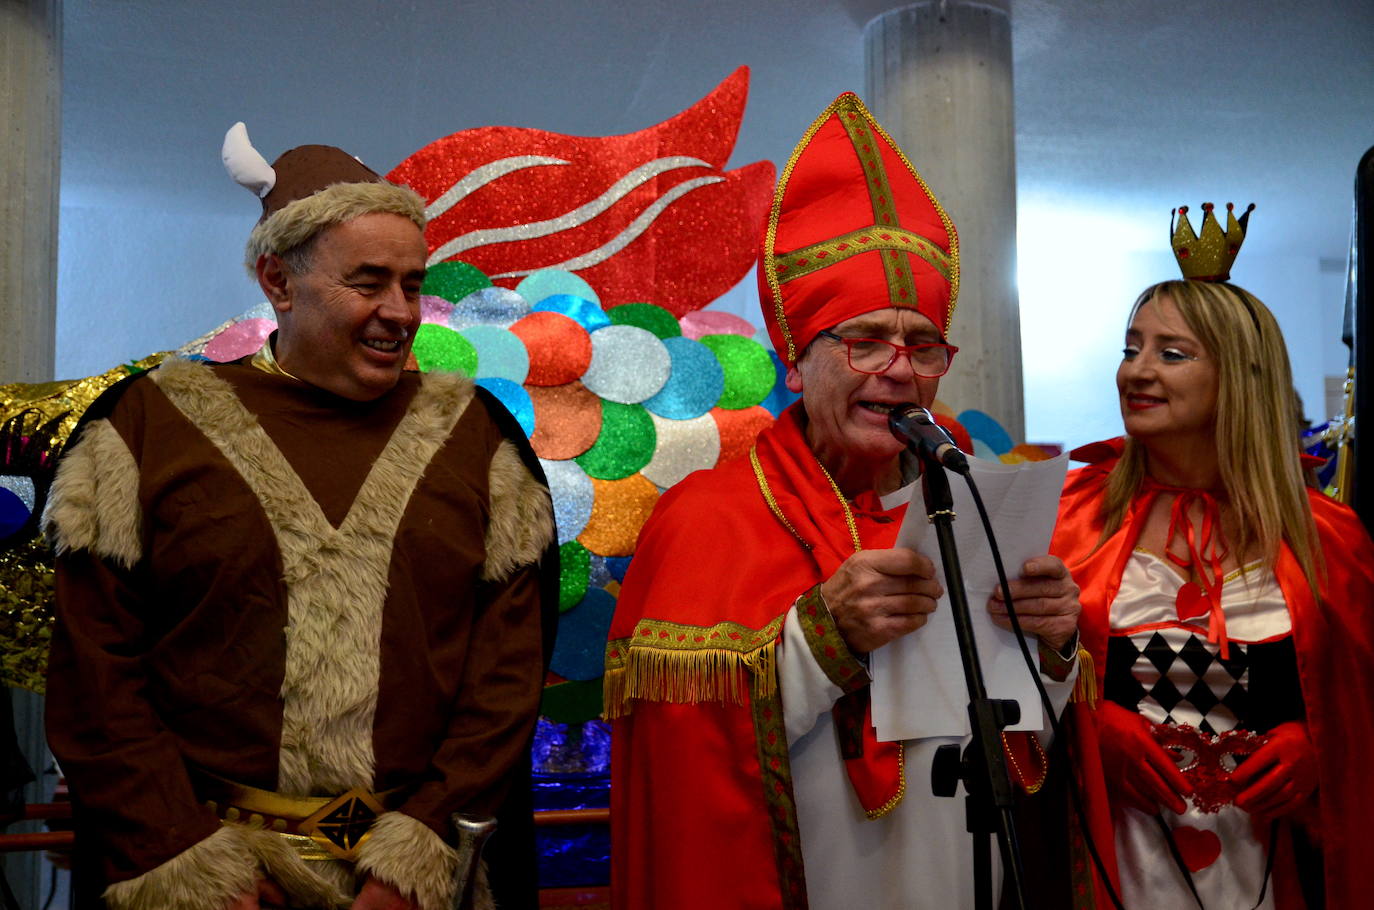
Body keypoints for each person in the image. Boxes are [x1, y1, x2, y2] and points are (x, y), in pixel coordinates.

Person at [42, 124, 557, 910]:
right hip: (210, 885)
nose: (399, 312)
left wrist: (417, 858)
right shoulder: (148, 427)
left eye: (412, 285)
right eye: (369, 282)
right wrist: (189, 862)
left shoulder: (475, 436)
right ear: (279, 280)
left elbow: (507, 673)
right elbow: (96, 675)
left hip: (407, 888)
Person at [605, 92, 1083, 909]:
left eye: (921, 345)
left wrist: (1055, 648)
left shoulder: (980, 501)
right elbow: (675, 757)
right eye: (864, 341)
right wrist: (820, 639)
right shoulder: (708, 518)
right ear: (796, 362)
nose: (897, 368)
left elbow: (1025, 734)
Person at [1052, 204, 1374, 908]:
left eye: (1172, 354)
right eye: (1131, 348)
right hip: (1114, 862)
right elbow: (998, 687)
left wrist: (1318, 748)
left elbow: (1360, 704)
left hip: (1272, 869)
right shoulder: (1069, 519)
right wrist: (1088, 728)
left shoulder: (1328, 537)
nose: (1136, 371)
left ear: (1241, 377)